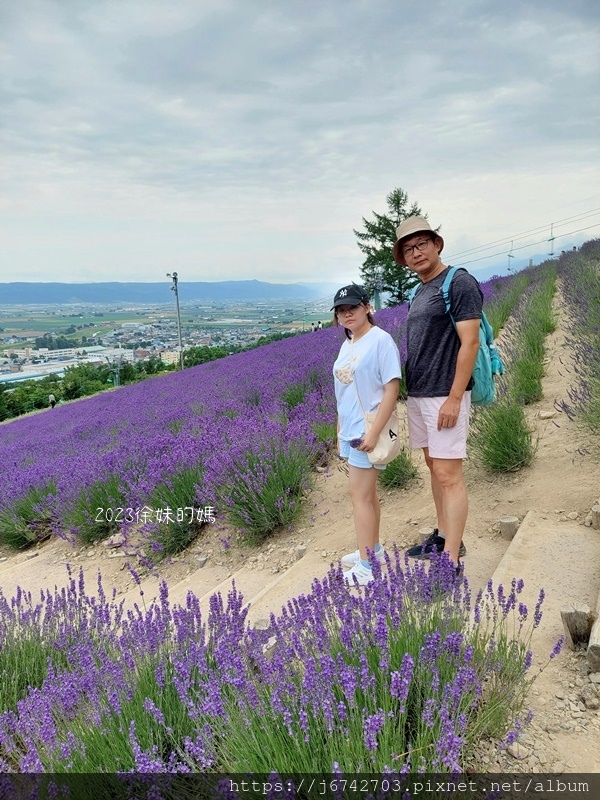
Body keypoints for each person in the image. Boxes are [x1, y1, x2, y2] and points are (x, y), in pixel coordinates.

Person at [392, 217, 482, 574]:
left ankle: (452, 560)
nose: (416, 253)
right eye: (408, 249)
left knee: (449, 474)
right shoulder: (421, 290)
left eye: (421, 244)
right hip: (421, 394)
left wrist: (455, 397)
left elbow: (470, 342)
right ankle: (444, 535)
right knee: (434, 467)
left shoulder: (458, 282)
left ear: (437, 244)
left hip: (445, 395)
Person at [332, 284, 401, 585]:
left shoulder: (380, 341)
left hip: (366, 429)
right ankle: (374, 551)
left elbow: (392, 388)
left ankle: (366, 568)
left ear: (367, 307)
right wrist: (339, 428)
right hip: (350, 429)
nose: (347, 314)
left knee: (358, 496)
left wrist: (373, 434)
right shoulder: (348, 343)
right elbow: (344, 389)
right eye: (341, 311)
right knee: (369, 495)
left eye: (352, 308)